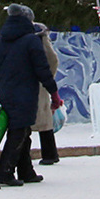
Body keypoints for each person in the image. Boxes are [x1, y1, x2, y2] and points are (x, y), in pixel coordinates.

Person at [0, 4, 60, 188]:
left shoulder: (1, 41)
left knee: (22, 130)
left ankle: (26, 171)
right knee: (18, 132)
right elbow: (43, 69)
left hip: (6, 92)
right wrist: (54, 93)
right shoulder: (31, 41)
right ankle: (5, 172)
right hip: (26, 93)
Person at [32, 23, 63, 166]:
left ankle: (49, 153)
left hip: (36, 81)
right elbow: (52, 60)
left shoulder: (38, 38)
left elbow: (52, 60)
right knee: (44, 118)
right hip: (40, 81)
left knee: (39, 118)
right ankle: (50, 153)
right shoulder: (40, 37)